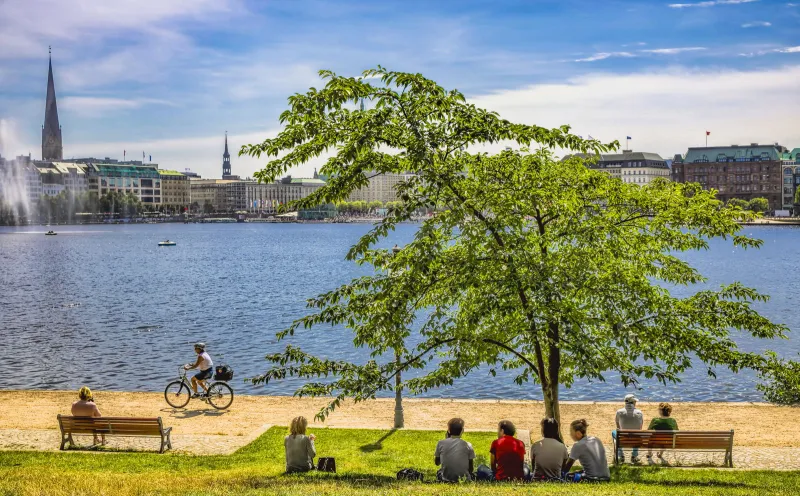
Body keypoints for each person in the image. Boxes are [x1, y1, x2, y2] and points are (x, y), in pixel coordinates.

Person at [434, 418, 476, 482]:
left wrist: (447, 440)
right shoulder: (468, 445)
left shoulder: (441, 443)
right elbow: (471, 468)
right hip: (464, 478)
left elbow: (437, 463)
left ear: (448, 430)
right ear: (462, 430)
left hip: (446, 478)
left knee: (439, 472)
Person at [612, 393, 644, 464]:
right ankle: (634, 456)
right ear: (633, 402)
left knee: (614, 432)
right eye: (635, 401)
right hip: (635, 438)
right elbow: (640, 426)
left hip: (623, 437)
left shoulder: (619, 412)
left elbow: (618, 426)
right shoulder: (639, 412)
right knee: (637, 433)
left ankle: (621, 455)